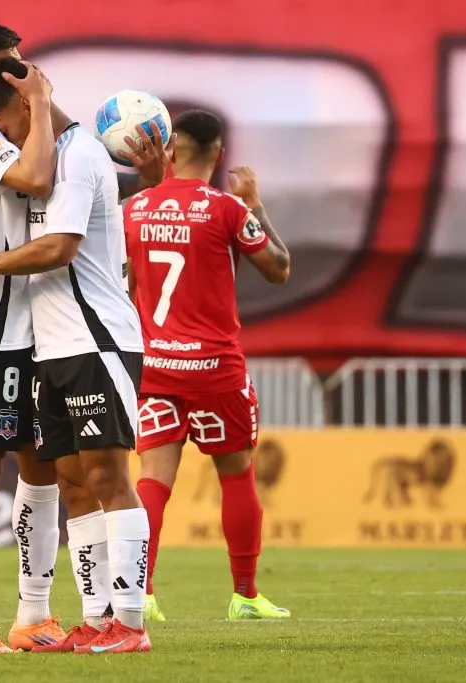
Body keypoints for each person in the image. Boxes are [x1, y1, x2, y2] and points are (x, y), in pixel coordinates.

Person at [0, 23, 166, 655]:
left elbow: (74, 191)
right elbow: (40, 183)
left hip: (41, 326)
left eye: (22, 60)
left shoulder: (50, 136)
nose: (20, 68)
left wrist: (132, 184)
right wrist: (38, 107)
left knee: (50, 472)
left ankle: (39, 613)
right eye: (5, 63)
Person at [122, 109, 292, 621]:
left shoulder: (133, 209)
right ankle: (244, 595)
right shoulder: (227, 210)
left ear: (171, 151)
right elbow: (279, 268)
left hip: (155, 365)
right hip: (215, 368)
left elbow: (123, 284)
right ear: (218, 154)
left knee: (153, 480)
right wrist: (256, 206)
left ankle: (142, 595)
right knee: (237, 476)